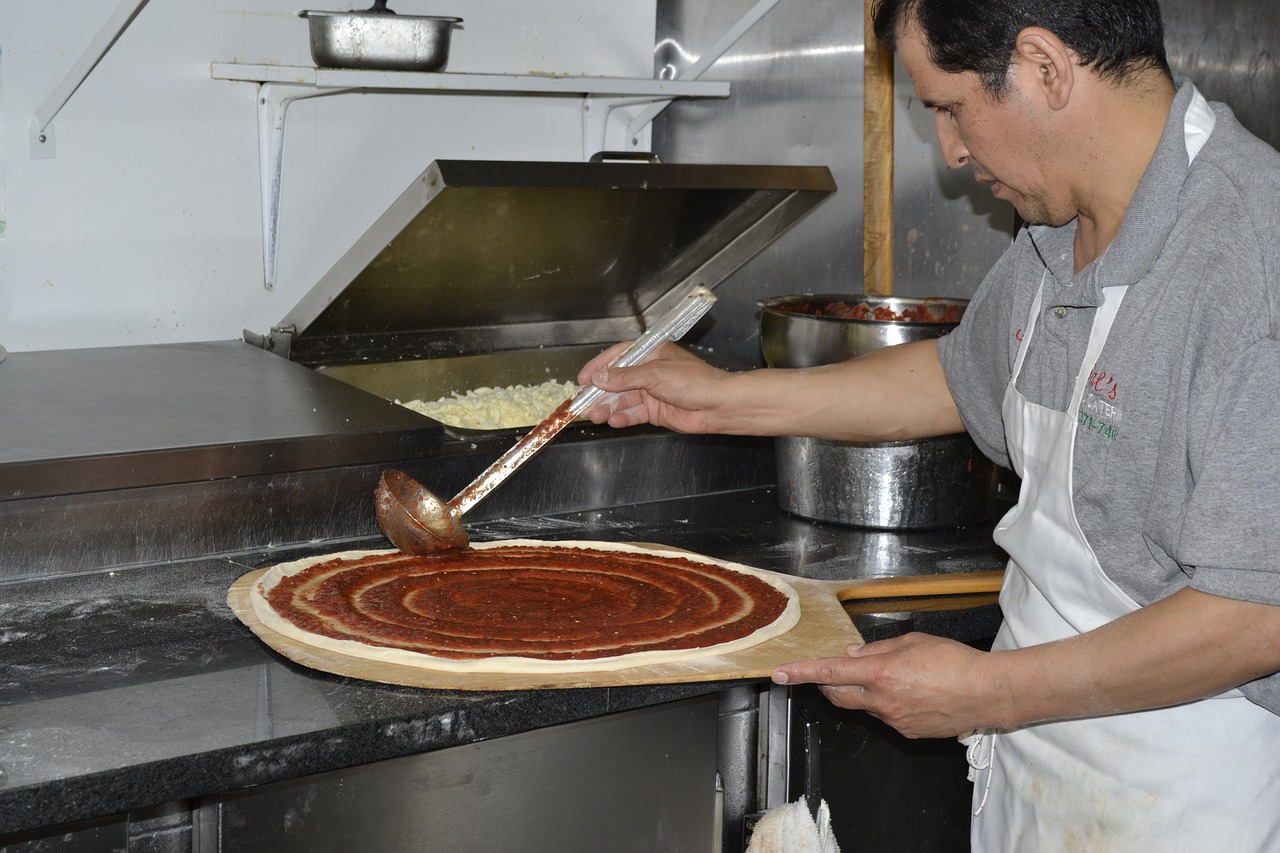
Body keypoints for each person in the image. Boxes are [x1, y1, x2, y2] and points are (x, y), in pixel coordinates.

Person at [577, 0, 1280, 848]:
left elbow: (1256, 614)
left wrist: (992, 692)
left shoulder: (1248, 256)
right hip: (1039, 785)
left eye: (949, 108)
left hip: (1189, 804)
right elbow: (956, 377)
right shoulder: (1056, 233)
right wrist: (720, 397)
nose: (950, 151)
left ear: (1046, 67)